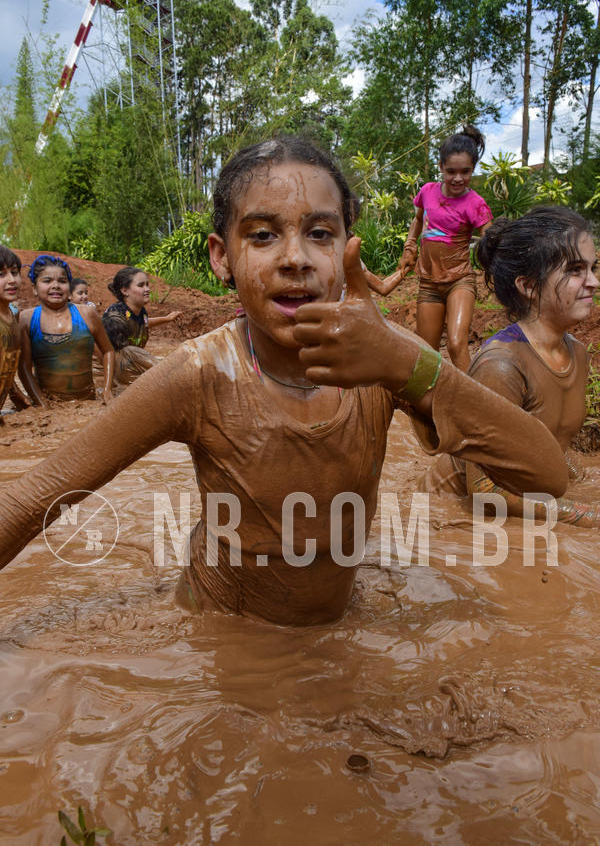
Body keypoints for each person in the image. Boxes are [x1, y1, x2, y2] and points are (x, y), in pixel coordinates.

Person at [0, 138, 568, 626]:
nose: (295, 258)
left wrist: (407, 365)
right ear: (222, 257)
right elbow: (34, 498)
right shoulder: (198, 374)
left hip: (333, 624)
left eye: (320, 233)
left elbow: (546, 475)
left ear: (347, 247)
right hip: (222, 629)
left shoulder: (388, 362)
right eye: (263, 235)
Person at [420, 205, 600, 527]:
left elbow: (552, 442)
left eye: (593, 267)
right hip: (445, 514)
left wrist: (584, 480)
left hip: (521, 502)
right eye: (575, 270)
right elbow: (483, 491)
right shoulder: (501, 367)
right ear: (528, 286)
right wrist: (584, 514)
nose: (594, 282)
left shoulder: (577, 352)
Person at [398, 125, 493, 371]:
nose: (458, 178)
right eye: (451, 171)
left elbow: (491, 237)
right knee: (427, 352)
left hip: (459, 281)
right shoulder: (427, 192)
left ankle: (474, 394)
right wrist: (410, 246)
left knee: (456, 343)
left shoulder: (475, 203)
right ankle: (433, 396)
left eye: (465, 171)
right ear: (441, 167)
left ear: (473, 168)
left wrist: (497, 258)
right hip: (429, 284)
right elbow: (418, 219)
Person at [18, 255, 114, 406]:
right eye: (47, 281)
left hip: (87, 400)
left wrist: (107, 390)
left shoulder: (87, 314)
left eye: (62, 281)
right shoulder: (26, 319)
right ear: (34, 289)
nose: (56, 286)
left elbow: (108, 351)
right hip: (50, 403)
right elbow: (24, 367)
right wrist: (41, 403)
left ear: (69, 288)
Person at [102, 267, 182, 386]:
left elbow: (142, 323)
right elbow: (102, 349)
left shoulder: (140, 311)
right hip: (109, 372)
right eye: (141, 285)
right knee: (131, 352)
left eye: (147, 285)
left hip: (127, 366)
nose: (147, 289)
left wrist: (167, 318)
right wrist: (107, 388)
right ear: (125, 291)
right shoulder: (114, 317)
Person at [0, 244, 29, 414]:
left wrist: (14, 392)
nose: (11, 280)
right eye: (1, 274)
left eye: (14, 272)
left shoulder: (13, 314)